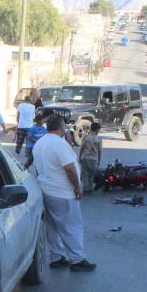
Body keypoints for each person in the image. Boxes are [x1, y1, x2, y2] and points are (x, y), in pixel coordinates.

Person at [31, 115, 95, 272]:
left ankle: (57, 256)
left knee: (53, 226)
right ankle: (77, 259)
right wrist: (77, 187)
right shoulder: (59, 144)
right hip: (63, 192)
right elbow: (70, 168)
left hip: (47, 190)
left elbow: (38, 169)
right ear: (61, 127)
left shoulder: (40, 143)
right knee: (72, 226)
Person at [79, 122, 102, 194]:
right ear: (97, 129)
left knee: (85, 174)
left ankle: (86, 189)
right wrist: (99, 161)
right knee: (92, 174)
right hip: (94, 159)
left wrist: (80, 157)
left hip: (85, 158)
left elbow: (82, 148)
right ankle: (90, 188)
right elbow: (99, 151)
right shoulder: (98, 139)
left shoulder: (85, 138)